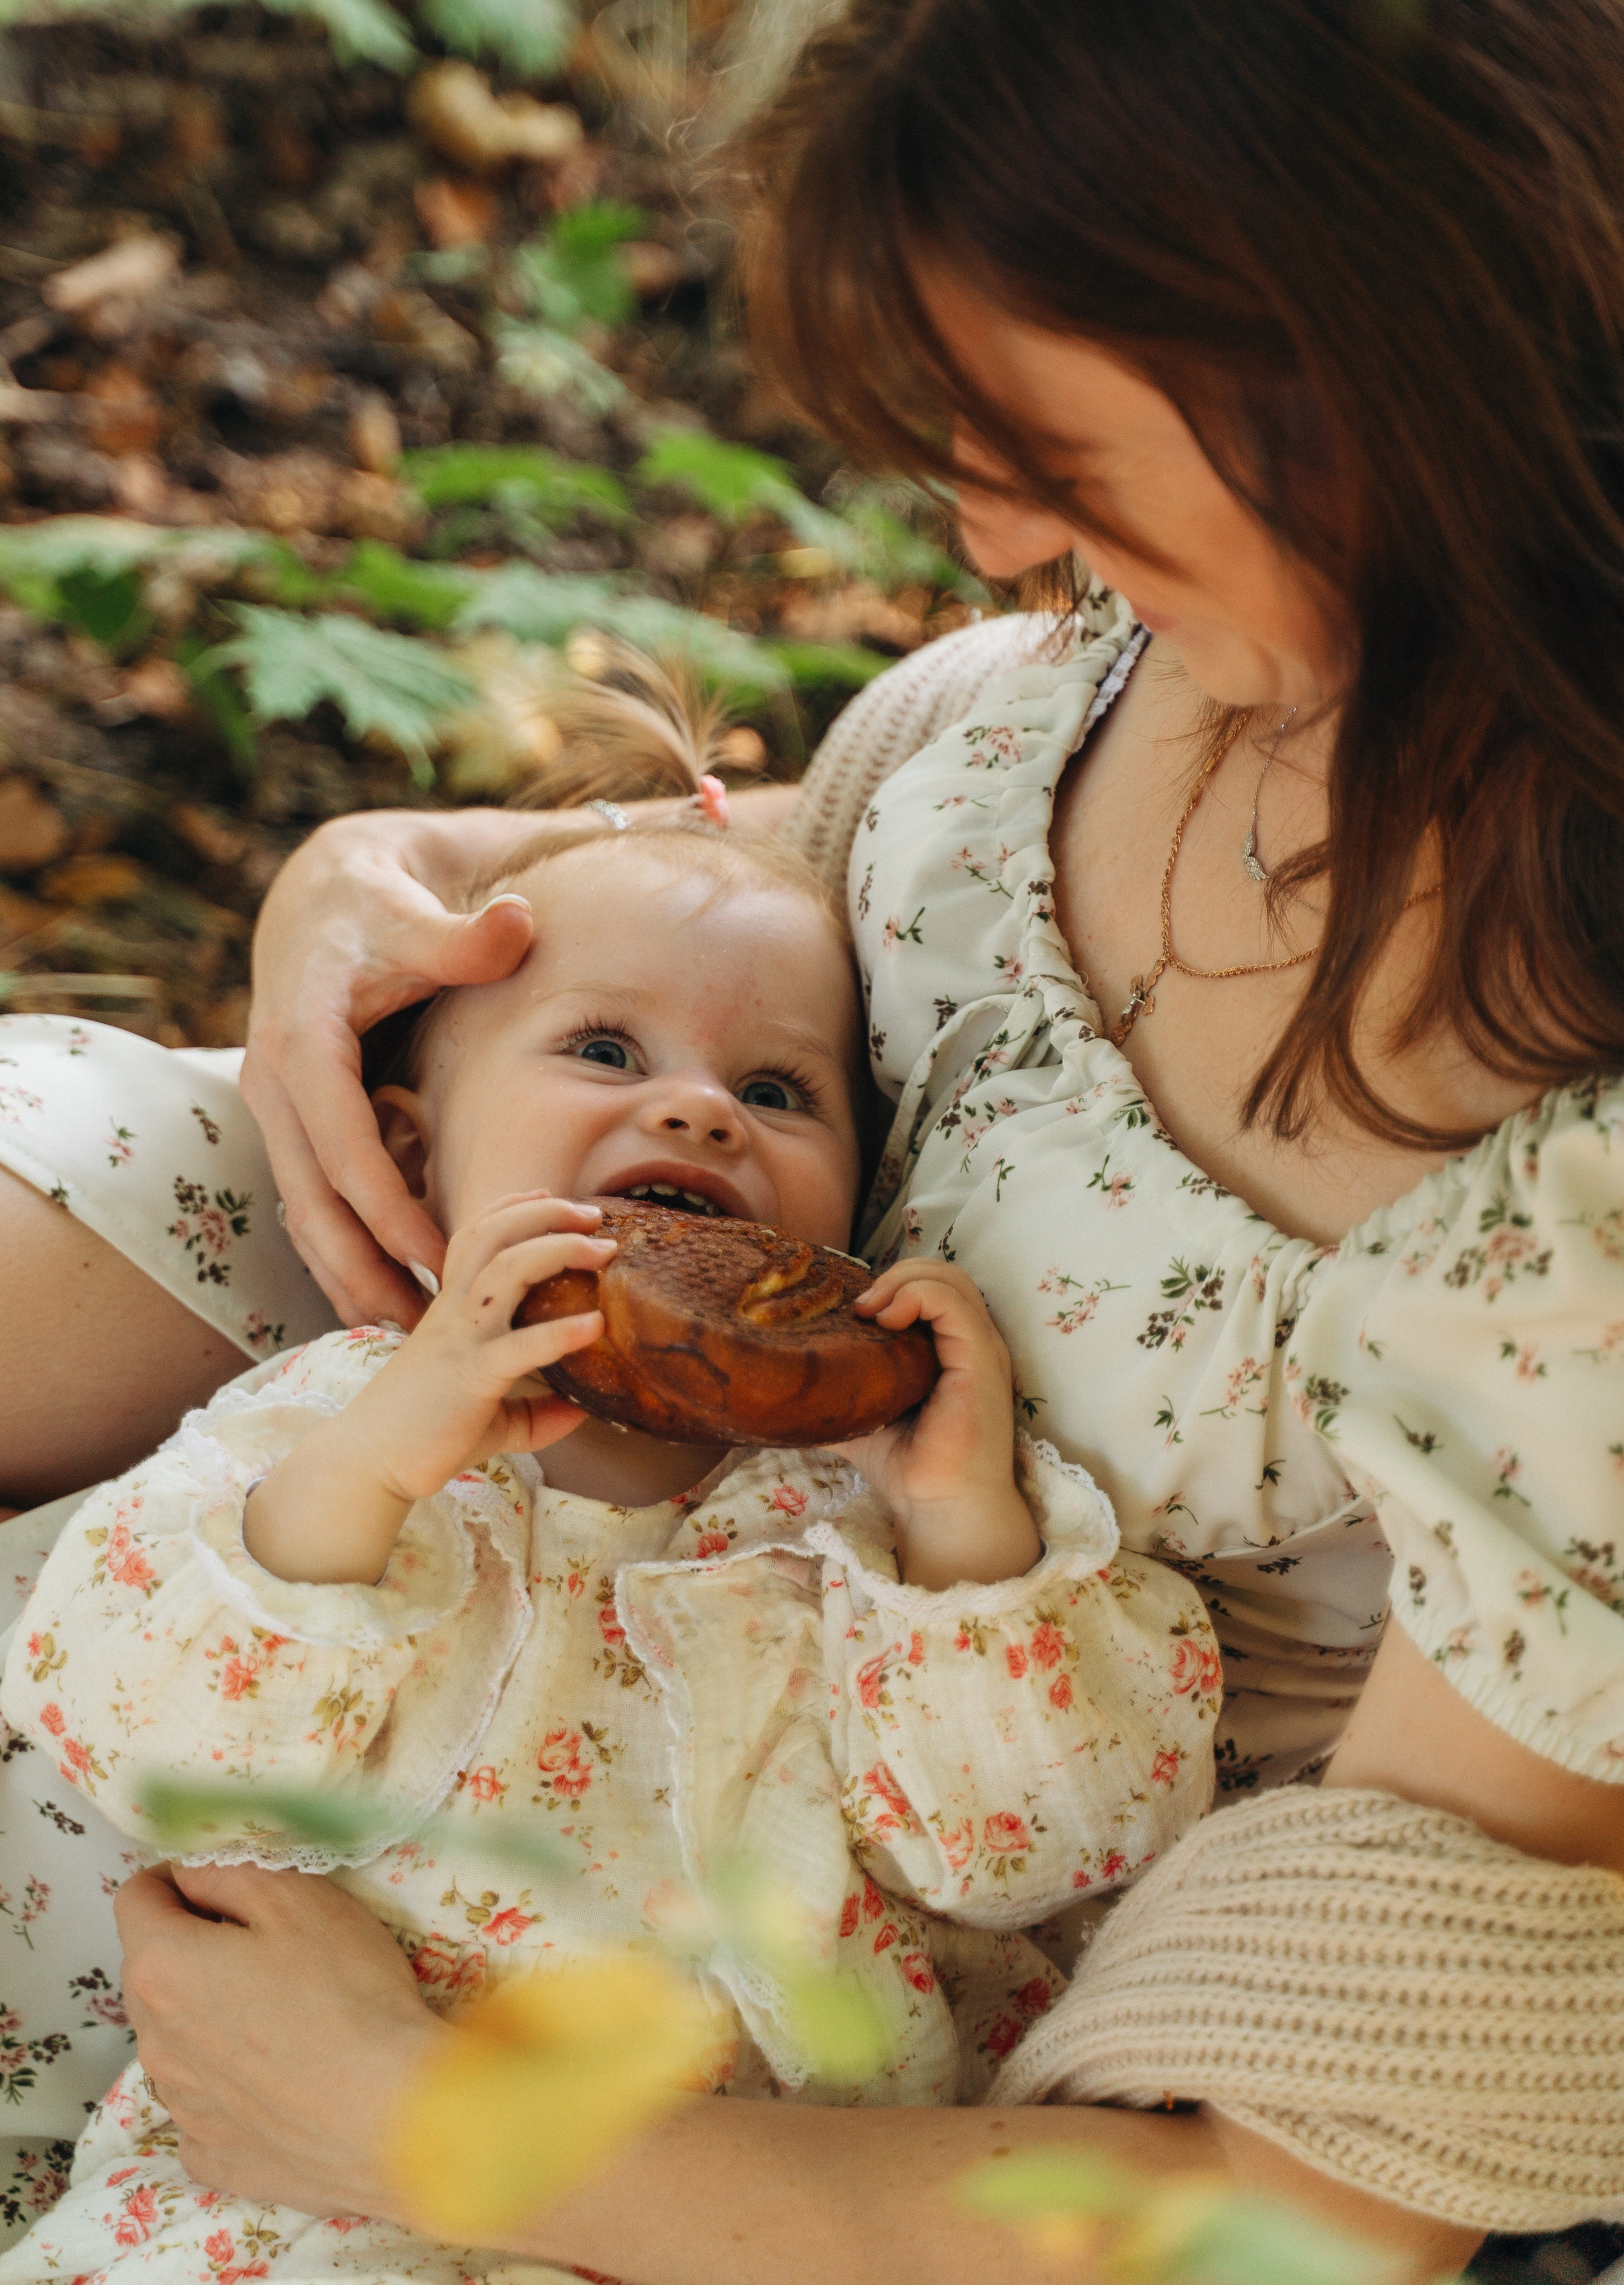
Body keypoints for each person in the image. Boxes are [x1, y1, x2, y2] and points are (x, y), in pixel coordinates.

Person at [3, 1, 1623, 2277]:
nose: (973, 522)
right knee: (44, 1140)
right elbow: (678, 924)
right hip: (486, 1597)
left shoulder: (1581, 1226)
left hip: (869, 1950)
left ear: (1364, 362)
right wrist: (370, 869)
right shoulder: (1068, 692)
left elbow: (1309, 2208)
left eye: (1041, 433)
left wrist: (417, 2127)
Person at [0, 792, 1217, 2284]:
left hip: (773, 2215)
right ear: (412, 1153)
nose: (700, 1110)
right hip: (319, 2209)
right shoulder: (326, 1433)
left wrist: (960, 1531)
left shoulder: (881, 1515)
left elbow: (1043, 1852)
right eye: (602, 1052)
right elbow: (135, 1736)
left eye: (779, 1091)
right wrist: (373, 1468)